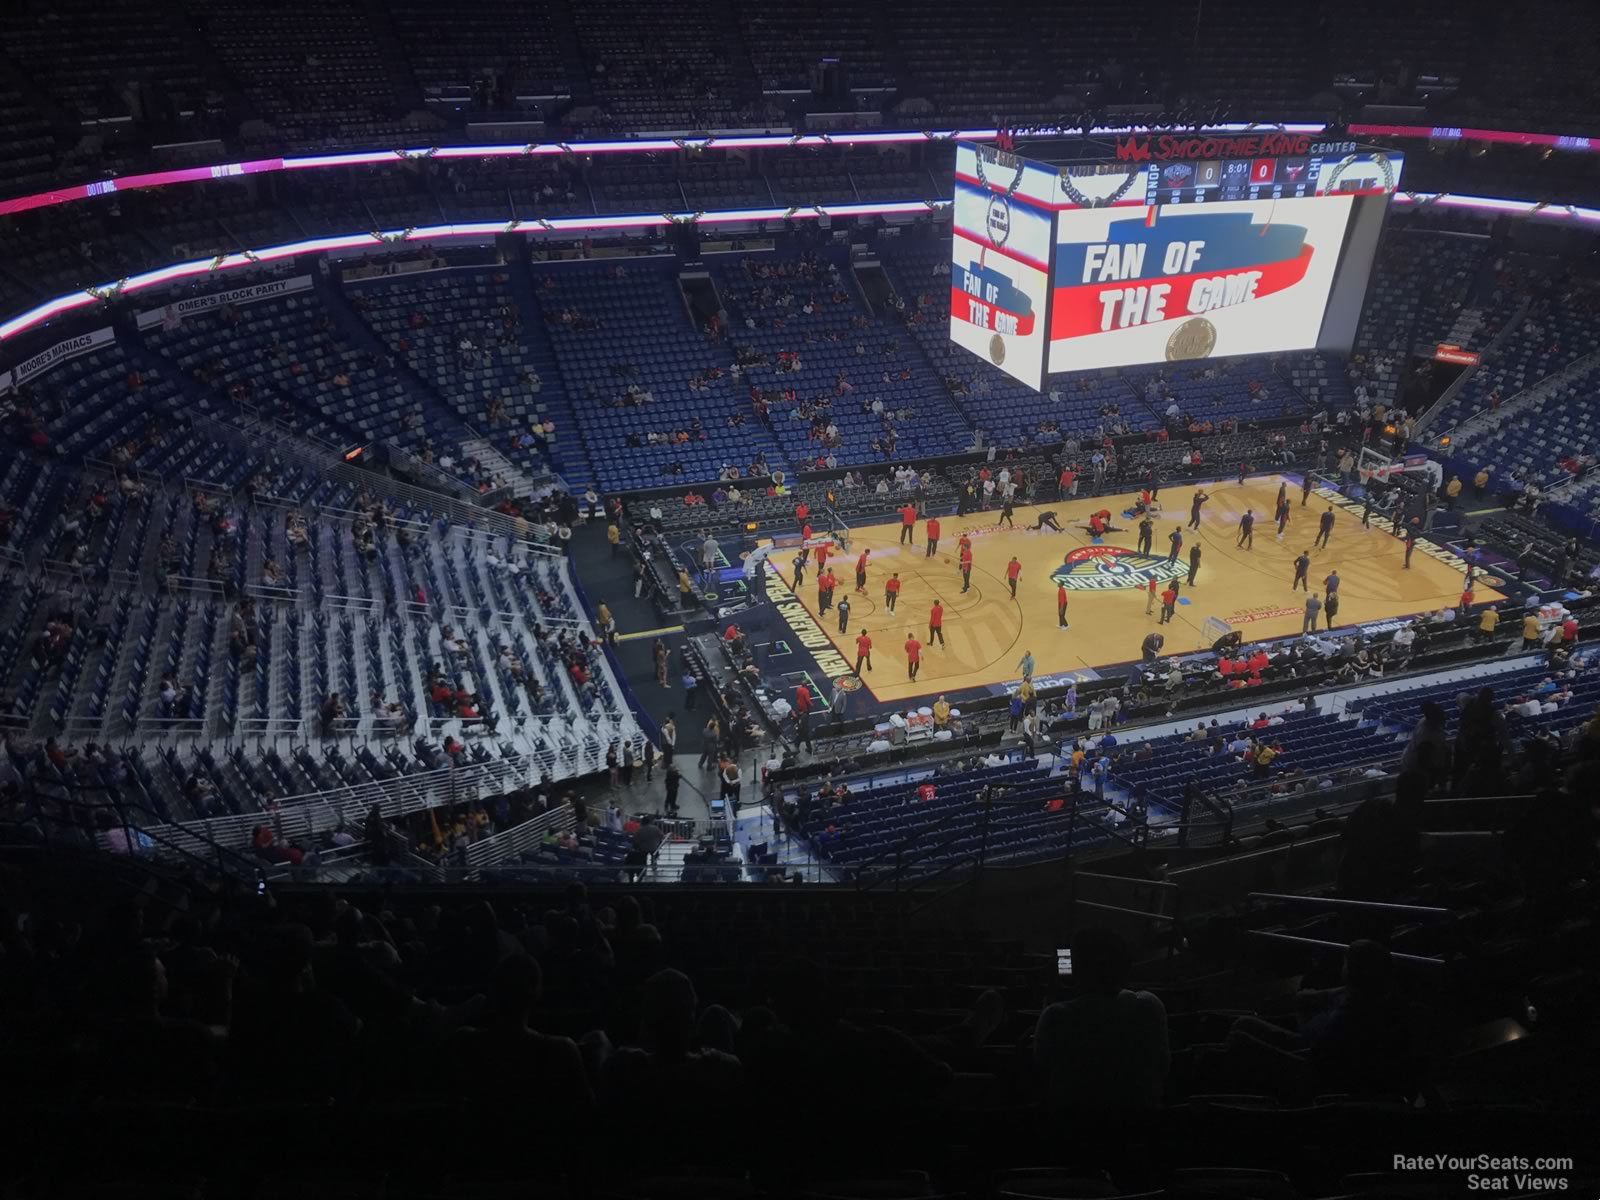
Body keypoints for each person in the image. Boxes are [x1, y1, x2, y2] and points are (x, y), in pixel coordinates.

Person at [1034, 927, 1170, 1113]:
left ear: (1079, 969)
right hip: (1140, 1127)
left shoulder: (1057, 1017)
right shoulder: (1151, 1006)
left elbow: (1042, 1070)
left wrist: (1053, 1000)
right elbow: (1163, 1067)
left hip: (1073, 1129)